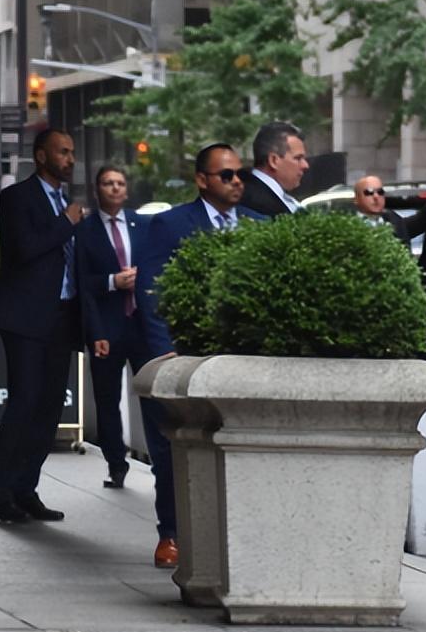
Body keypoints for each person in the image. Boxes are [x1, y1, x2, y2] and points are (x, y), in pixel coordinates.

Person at [75, 163, 179, 567]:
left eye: (120, 183)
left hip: (142, 326)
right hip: (107, 327)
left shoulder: (143, 225)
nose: (115, 188)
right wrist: (111, 283)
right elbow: (83, 284)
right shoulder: (84, 230)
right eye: (108, 183)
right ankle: (116, 460)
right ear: (98, 189)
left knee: (152, 400)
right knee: (106, 396)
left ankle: (155, 459)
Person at [0, 129, 85, 524]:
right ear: (41, 156)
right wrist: (65, 223)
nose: (71, 159)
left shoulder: (67, 203)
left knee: (48, 408)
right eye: (63, 152)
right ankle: (1, 494)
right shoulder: (17, 198)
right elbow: (23, 249)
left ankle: (26, 490)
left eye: (72, 152)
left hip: (62, 318)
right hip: (26, 317)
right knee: (24, 402)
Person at [138, 143, 268, 360]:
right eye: (227, 175)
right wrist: (165, 350)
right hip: (191, 351)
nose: (236, 181)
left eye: (241, 174)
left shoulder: (260, 224)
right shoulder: (171, 224)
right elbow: (151, 289)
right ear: (201, 180)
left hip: (249, 352)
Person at [239, 121, 309, 217]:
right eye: (298, 158)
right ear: (273, 160)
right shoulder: (254, 203)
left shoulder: (255, 193)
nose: (305, 165)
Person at [353, 175, 409, 242]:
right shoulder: (347, 225)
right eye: (369, 192)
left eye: (380, 192)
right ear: (356, 199)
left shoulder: (396, 221)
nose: (376, 196)